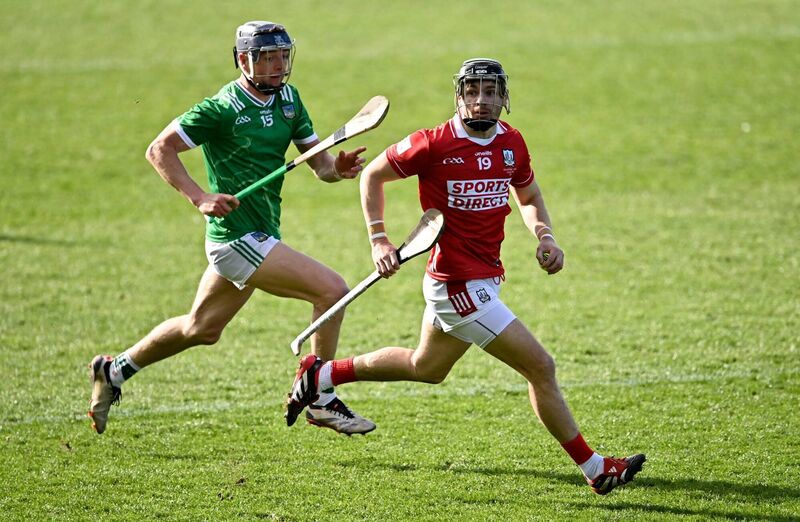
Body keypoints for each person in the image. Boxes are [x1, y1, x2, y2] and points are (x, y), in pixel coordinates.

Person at [285, 58, 645, 494]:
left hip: (484, 278)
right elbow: (373, 176)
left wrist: (545, 236)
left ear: (504, 97)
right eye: (472, 91)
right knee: (541, 368)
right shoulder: (432, 143)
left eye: (491, 91)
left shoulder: (511, 142)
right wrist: (379, 239)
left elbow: (528, 193)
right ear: (459, 96)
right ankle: (595, 468)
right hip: (457, 286)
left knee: (426, 367)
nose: (481, 100)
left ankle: (320, 375)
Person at [88, 21, 376, 436]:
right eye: (267, 58)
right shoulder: (221, 108)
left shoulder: (290, 100)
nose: (278, 65)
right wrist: (199, 197)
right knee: (332, 291)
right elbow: (159, 148)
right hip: (236, 239)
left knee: (201, 328)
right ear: (244, 60)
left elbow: (320, 165)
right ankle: (319, 397)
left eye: (283, 56)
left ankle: (112, 370)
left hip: (261, 233)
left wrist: (338, 168)